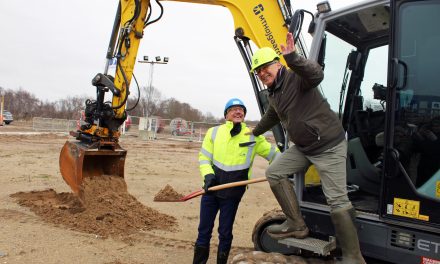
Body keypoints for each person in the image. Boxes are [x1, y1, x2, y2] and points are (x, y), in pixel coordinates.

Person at [248, 33, 366, 264]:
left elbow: (316, 74)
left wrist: (293, 57)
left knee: (337, 201)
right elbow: (272, 116)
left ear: (277, 63)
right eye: (258, 71)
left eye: (265, 67)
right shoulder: (274, 93)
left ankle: (354, 256)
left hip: (328, 145)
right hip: (304, 147)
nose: (262, 73)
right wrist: (254, 132)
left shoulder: (296, 77)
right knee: (274, 172)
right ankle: (296, 224)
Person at [193, 98, 280, 264]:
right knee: (204, 230)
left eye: (241, 109)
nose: (238, 111)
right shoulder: (214, 133)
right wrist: (208, 175)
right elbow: (204, 157)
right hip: (211, 190)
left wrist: (292, 158)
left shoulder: (253, 136)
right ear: (226, 115)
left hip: (233, 193)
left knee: (225, 232)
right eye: (233, 109)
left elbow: (274, 155)